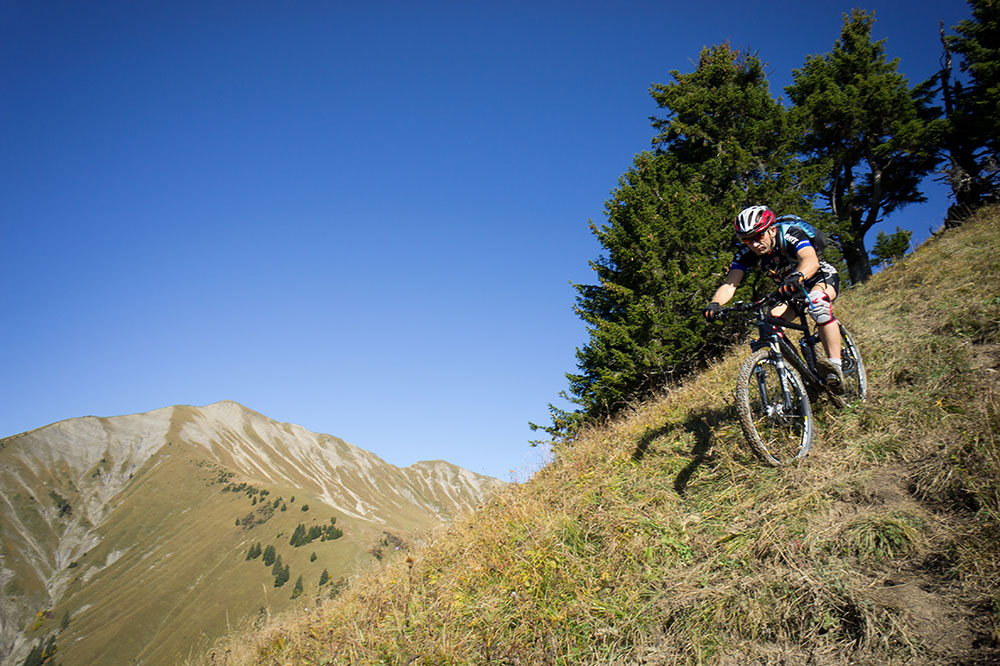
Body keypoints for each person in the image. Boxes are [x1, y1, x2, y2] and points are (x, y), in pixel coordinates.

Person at [703, 205, 844, 389]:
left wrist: (798, 276)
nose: (754, 244)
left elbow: (810, 260)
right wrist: (715, 304)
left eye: (758, 237)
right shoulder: (746, 254)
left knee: (818, 303)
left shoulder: (789, 234)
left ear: (771, 230)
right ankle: (805, 376)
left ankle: (835, 367)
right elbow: (730, 284)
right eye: (747, 240)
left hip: (817, 277)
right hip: (788, 290)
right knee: (770, 328)